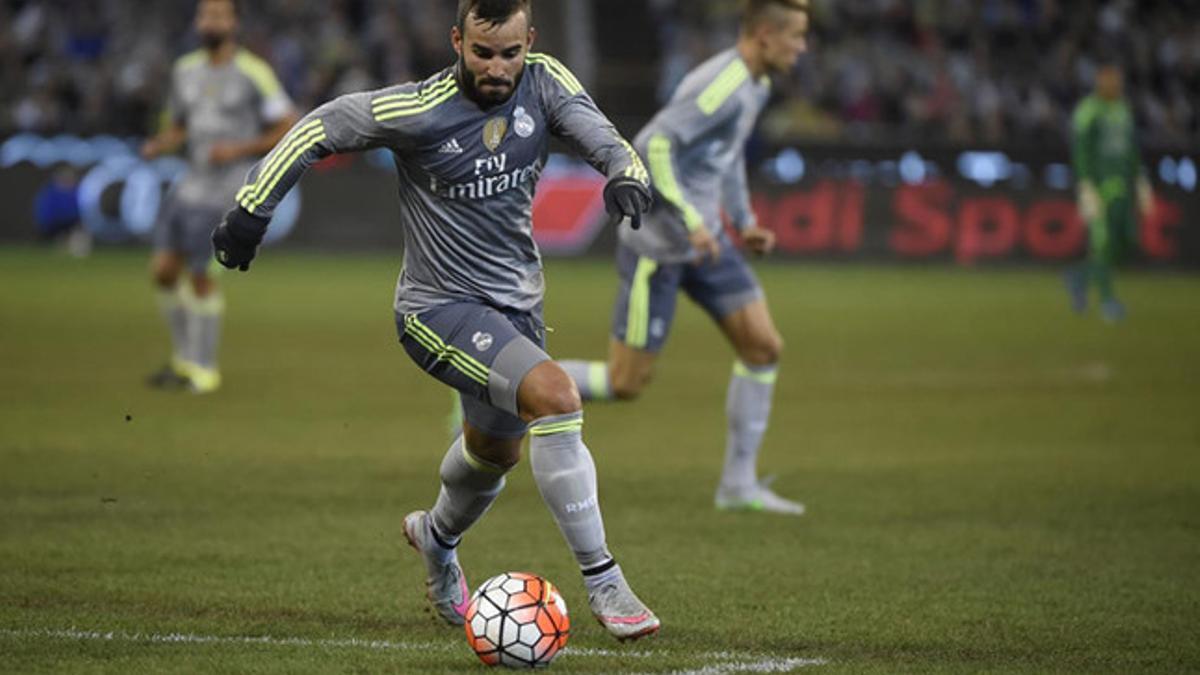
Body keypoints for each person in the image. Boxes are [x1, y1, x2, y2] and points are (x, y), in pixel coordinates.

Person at [210, 0, 660, 642]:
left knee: (493, 453)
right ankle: (605, 581)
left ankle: (435, 538)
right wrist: (252, 209)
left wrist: (625, 173)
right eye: (483, 52)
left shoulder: (546, 80)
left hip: (517, 309)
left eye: (511, 52)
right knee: (557, 397)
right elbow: (320, 128)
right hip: (436, 309)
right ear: (457, 41)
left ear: (529, 41)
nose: (498, 67)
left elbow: (606, 139)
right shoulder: (417, 109)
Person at [559, 0, 809, 515]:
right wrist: (694, 222)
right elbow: (654, 147)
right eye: (796, 37)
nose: (801, 48)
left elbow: (726, 155)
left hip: (708, 243)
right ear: (764, 35)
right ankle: (503, 384)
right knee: (625, 383)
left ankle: (738, 486)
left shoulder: (756, 85)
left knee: (763, 347)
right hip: (662, 248)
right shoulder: (720, 85)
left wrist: (741, 222)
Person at [143, 0, 296, 393]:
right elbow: (179, 125)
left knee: (200, 276)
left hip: (226, 192)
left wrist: (240, 148)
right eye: (204, 14)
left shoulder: (254, 72)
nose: (209, 21)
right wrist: (162, 144)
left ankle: (204, 370)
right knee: (162, 272)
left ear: (234, 23)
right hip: (188, 186)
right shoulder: (185, 70)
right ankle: (182, 359)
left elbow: (288, 125)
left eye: (218, 15)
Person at [1065, 59, 1155, 323]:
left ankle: (1079, 277)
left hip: (1124, 188)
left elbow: (1132, 150)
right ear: (1099, 80)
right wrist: (1085, 185)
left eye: (1117, 79)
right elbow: (1081, 150)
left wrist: (1140, 181)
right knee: (1102, 244)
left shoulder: (1123, 110)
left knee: (1126, 241)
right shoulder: (1088, 111)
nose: (1115, 84)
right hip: (1100, 188)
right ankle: (1107, 302)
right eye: (1109, 78)